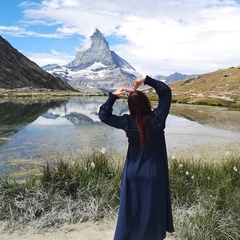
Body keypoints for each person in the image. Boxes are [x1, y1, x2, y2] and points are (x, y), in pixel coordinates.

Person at [99, 75, 174, 240]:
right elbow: (166, 92)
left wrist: (113, 96)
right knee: (152, 211)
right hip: (155, 173)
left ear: (130, 107)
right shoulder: (158, 119)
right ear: (146, 103)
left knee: (131, 211)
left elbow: (104, 116)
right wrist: (146, 80)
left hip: (133, 173)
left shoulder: (126, 122)